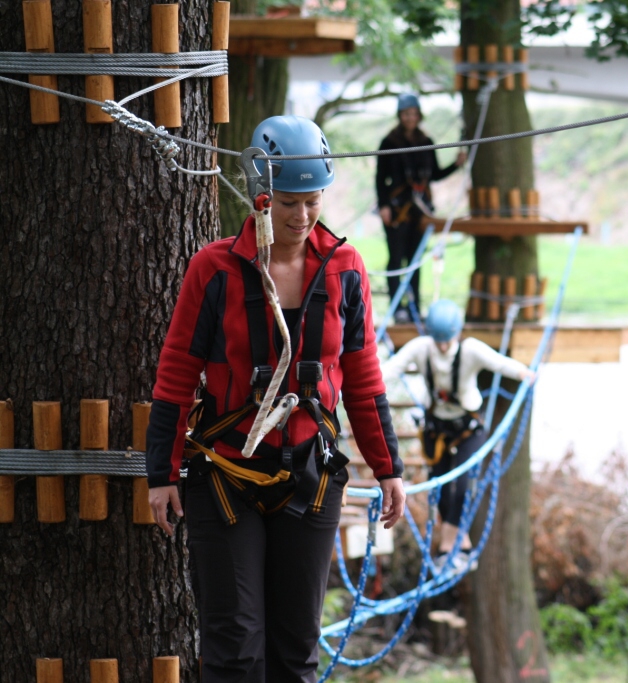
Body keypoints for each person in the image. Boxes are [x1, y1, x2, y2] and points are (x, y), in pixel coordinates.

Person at [146, 115, 406, 683]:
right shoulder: (214, 270)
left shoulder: (345, 269)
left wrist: (389, 469)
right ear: (261, 195)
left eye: (312, 200)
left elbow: (362, 375)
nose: (302, 215)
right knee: (235, 647)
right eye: (288, 201)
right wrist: (160, 474)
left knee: (296, 651)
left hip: (310, 476)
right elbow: (176, 373)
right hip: (225, 475)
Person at [381, 299, 534, 570]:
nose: (442, 347)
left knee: (462, 486)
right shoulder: (421, 349)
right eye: (438, 340)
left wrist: (525, 373)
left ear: (457, 334)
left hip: (468, 428)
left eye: (447, 341)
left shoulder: (471, 350)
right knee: (438, 488)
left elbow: (500, 364)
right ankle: (460, 544)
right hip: (436, 429)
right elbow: (389, 370)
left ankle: (446, 546)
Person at [376, 93, 467, 322]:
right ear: (400, 116)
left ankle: (414, 307)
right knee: (396, 259)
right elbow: (380, 179)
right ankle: (398, 308)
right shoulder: (389, 143)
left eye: (414, 113)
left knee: (415, 260)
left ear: (419, 115)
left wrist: (455, 166)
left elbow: (434, 174)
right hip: (397, 210)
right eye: (406, 114)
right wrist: (384, 206)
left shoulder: (426, 142)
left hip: (420, 211)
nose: (410, 118)